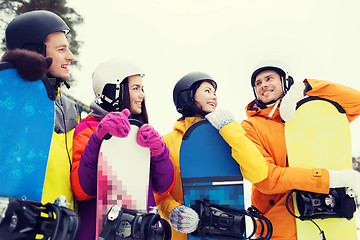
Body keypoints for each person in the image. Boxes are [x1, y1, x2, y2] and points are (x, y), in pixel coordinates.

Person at [241, 64, 360, 239]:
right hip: (278, 225)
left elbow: (356, 101)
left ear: (285, 82)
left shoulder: (312, 116)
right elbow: (267, 178)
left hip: (328, 222)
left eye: (269, 79)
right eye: (257, 83)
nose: (262, 85)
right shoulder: (251, 126)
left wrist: (305, 87)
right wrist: (329, 178)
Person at [154, 71, 269, 240]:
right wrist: (174, 212)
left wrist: (230, 129)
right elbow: (160, 193)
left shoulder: (228, 135)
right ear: (188, 95)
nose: (214, 97)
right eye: (207, 91)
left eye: (215, 93)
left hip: (227, 231)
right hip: (184, 234)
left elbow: (258, 172)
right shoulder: (169, 141)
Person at [70, 59, 175, 240]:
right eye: (135, 88)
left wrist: (159, 153)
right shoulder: (88, 129)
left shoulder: (142, 134)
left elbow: (163, 187)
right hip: (98, 232)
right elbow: (82, 189)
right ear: (114, 91)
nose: (143, 95)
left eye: (142, 89)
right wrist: (98, 139)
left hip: (139, 231)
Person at [4, 10, 79, 210]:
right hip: (16, 222)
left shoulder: (70, 108)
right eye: (61, 49)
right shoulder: (7, 98)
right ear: (34, 50)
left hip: (59, 223)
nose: (70, 57)